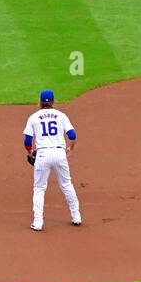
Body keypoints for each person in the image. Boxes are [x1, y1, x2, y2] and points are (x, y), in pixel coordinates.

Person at [23, 89, 81, 232]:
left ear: (40, 102)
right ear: (53, 101)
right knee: (67, 184)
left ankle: (37, 222)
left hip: (42, 155)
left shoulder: (34, 117)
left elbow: (27, 141)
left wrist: (30, 152)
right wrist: (70, 149)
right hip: (59, 153)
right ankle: (76, 216)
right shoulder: (61, 116)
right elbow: (72, 135)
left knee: (39, 188)